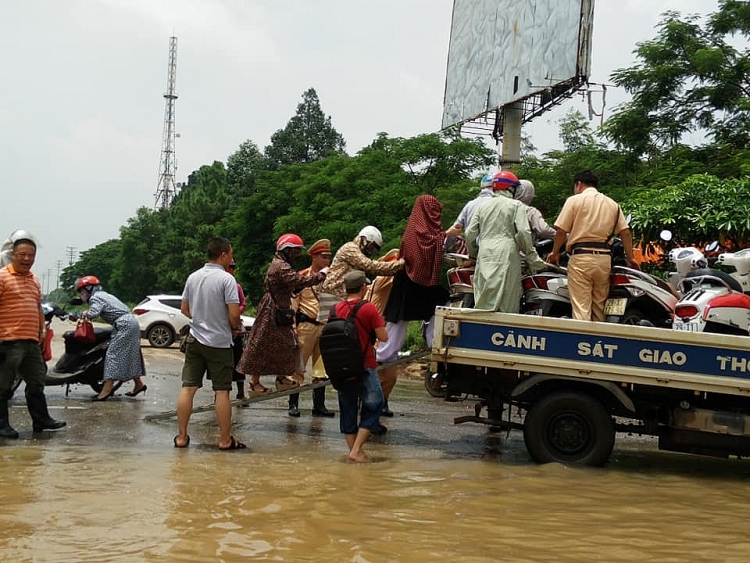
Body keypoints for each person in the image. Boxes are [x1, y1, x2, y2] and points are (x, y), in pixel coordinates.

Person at [379, 195, 449, 420]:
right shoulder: (416, 231)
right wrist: (445, 237)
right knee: (399, 321)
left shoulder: (430, 231)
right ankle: (382, 354)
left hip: (424, 283)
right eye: (434, 210)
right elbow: (426, 248)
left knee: (440, 306)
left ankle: (433, 344)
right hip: (411, 282)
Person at [175, 237, 245, 450]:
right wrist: (233, 326)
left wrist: (201, 319)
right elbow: (234, 314)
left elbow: (184, 310)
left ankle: (182, 438)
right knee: (222, 391)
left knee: (188, 388)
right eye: (230, 254)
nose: (231, 258)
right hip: (219, 342)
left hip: (195, 340)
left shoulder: (193, 277)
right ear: (223, 255)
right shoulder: (226, 280)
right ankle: (225, 440)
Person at [237, 234, 328, 397]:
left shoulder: (281, 264)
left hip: (278, 308)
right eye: (296, 251)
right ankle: (255, 382)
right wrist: (322, 275)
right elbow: (299, 280)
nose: (297, 255)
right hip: (272, 310)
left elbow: (292, 286)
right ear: (287, 250)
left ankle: (280, 378)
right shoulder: (281, 266)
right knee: (263, 345)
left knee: (285, 344)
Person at [547, 169, 639, 321]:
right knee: (599, 308)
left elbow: (561, 231)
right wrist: (630, 258)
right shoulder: (613, 205)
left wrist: (555, 252)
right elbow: (625, 233)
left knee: (581, 308)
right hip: (604, 260)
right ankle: (598, 342)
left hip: (581, 258)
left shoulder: (574, 201)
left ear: (579, 184)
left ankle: (579, 342)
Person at [0, 233, 66, 439]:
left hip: (31, 341)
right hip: (8, 341)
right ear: (13, 254)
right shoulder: (2, 277)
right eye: (22, 254)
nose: (27, 259)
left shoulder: (34, 279)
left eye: (31, 255)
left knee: (37, 381)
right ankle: (2, 425)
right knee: (3, 386)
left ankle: (41, 419)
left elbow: (37, 306)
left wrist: (42, 330)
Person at [465, 170, 546, 312]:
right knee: (507, 301)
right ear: (509, 188)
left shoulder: (483, 207)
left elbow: (469, 233)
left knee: (484, 300)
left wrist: (473, 255)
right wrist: (533, 259)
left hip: (484, 254)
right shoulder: (516, 205)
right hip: (507, 253)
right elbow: (523, 232)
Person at [334, 270, 388, 463]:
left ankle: (353, 451)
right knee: (375, 404)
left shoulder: (336, 308)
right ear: (364, 287)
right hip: (365, 364)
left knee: (348, 407)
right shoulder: (368, 308)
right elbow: (383, 337)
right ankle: (357, 450)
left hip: (341, 367)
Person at [74, 275, 148, 401]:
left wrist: (79, 314)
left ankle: (106, 390)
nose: (82, 295)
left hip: (123, 325)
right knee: (131, 355)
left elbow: (93, 313)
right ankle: (138, 385)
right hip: (131, 323)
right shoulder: (104, 295)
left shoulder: (96, 298)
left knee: (113, 355)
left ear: (89, 289)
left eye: (82, 292)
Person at [289, 238, 335, 418]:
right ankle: (293, 403)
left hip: (325, 326)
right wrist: (292, 326)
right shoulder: (302, 277)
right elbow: (294, 303)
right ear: (314, 257)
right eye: (323, 257)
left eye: (328, 257)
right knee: (298, 366)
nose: (327, 261)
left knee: (321, 367)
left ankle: (319, 405)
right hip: (306, 325)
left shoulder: (331, 278)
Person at [320, 226, 405, 300]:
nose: (371, 250)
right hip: (333, 296)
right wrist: (399, 264)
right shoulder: (350, 248)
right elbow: (371, 266)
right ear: (364, 240)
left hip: (337, 295)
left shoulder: (355, 251)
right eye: (371, 246)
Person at [445, 174, 495, 238]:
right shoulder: (501, 203)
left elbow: (456, 228)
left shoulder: (469, 205)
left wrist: (444, 246)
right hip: (494, 246)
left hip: (471, 246)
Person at [226, 261, 247, 402]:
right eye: (229, 267)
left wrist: (234, 313)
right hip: (221, 328)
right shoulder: (218, 284)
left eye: (233, 267)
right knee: (222, 364)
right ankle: (221, 394)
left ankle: (241, 393)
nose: (231, 269)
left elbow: (243, 304)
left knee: (239, 362)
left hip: (235, 329)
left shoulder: (236, 286)